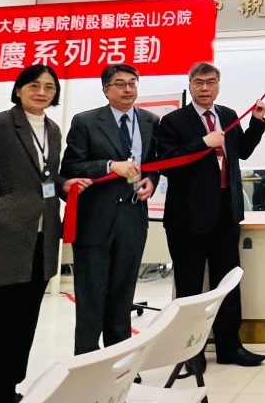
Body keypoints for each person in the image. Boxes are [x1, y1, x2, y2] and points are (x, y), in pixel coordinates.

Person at [0, 65, 91, 403]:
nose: (42, 92)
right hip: (2, 238)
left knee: (24, 321)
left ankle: (8, 387)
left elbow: (44, 177)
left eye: (49, 87)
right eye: (34, 85)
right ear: (19, 89)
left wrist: (63, 184)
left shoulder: (52, 130)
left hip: (42, 238)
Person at [155, 61, 265, 368]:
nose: (205, 88)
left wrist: (257, 122)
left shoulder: (228, 116)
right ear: (190, 86)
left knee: (227, 285)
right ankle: (189, 353)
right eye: (199, 83)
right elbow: (167, 163)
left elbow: (242, 151)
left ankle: (230, 348)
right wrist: (202, 143)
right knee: (190, 289)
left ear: (218, 85)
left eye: (211, 82)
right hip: (187, 217)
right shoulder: (173, 121)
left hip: (225, 212)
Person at [60, 63, 160, 354]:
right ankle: (87, 361)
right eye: (120, 84)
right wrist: (108, 166)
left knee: (122, 293)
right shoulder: (86, 121)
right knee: (91, 296)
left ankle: (119, 360)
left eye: (132, 83)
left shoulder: (150, 121)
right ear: (106, 90)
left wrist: (152, 180)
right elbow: (70, 168)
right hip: (95, 218)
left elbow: (153, 162)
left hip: (133, 216)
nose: (128, 89)